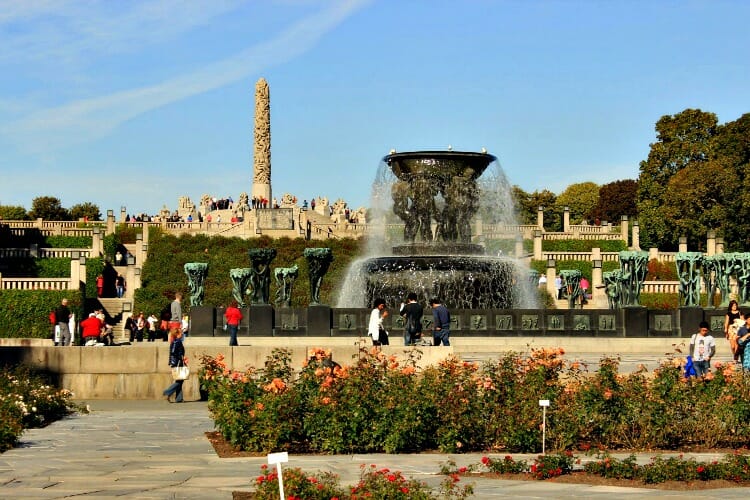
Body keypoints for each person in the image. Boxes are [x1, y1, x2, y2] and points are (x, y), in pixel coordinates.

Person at [163, 328, 187, 403]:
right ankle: (167, 392)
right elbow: (174, 352)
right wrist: (181, 358)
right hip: (177, 363)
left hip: (175, 362)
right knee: (180, 380)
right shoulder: (178, 342)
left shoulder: (174, 341)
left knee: (179, 380)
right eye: (181, 333)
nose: (182, 334)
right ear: (177, 334)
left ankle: (179, 398)